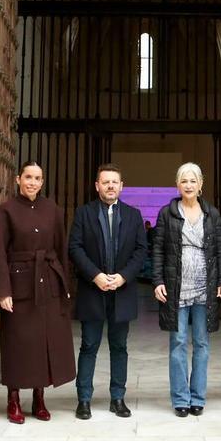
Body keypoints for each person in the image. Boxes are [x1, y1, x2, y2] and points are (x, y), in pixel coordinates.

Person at [0, 161, 76, 423]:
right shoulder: (6, 210)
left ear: (42, 181)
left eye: (37, 178)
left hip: (49, 283)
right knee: (18, 343)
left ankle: (39, 398)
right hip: (19, 287)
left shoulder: (52, 209)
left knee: (45, 342)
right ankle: (14, 398)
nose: (32, 182)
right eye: (28, 177)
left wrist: (65, 287)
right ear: (18, 179)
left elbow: (61, 249)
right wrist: (3, 291)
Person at [67, 163, 148, 419]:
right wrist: (96, 276)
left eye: (115, 182)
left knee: (119, 346)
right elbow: (75, 248)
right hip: (93, 290)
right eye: (106, 182)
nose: (110, 186)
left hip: (121, 292)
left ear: (122, 186)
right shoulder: (84, 213)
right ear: (97, 186)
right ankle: (84, 400)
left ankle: (118, 398)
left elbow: (140, 251)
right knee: (89, 345)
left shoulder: (134, 215)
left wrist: (123, 277)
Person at [152, 163, 221, 417]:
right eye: (183, 181)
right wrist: (158, 280)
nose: (188, 185)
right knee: (177, 342)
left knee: (202, 343)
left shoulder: (212, 214)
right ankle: (180, 399)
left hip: (204, 286)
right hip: (176, 287)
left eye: (192, 181)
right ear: (177, 185)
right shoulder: (167, 213)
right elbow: (158, 249)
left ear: (200, 184)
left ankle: (197, 397)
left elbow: (220, 249)